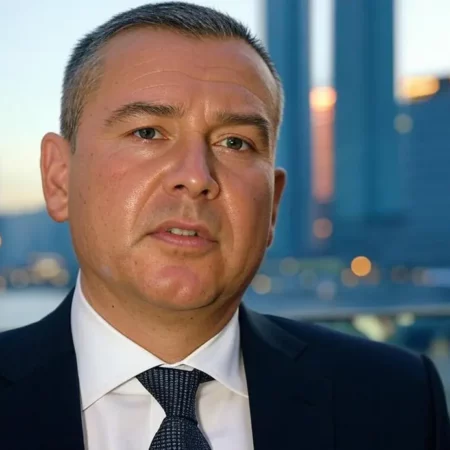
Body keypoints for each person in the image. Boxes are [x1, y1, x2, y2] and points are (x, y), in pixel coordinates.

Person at [0, 2, 449, 449]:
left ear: (273, 205)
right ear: (59, 178)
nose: (197, 177)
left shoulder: (397, 399)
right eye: (148, 132)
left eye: (235, 142)